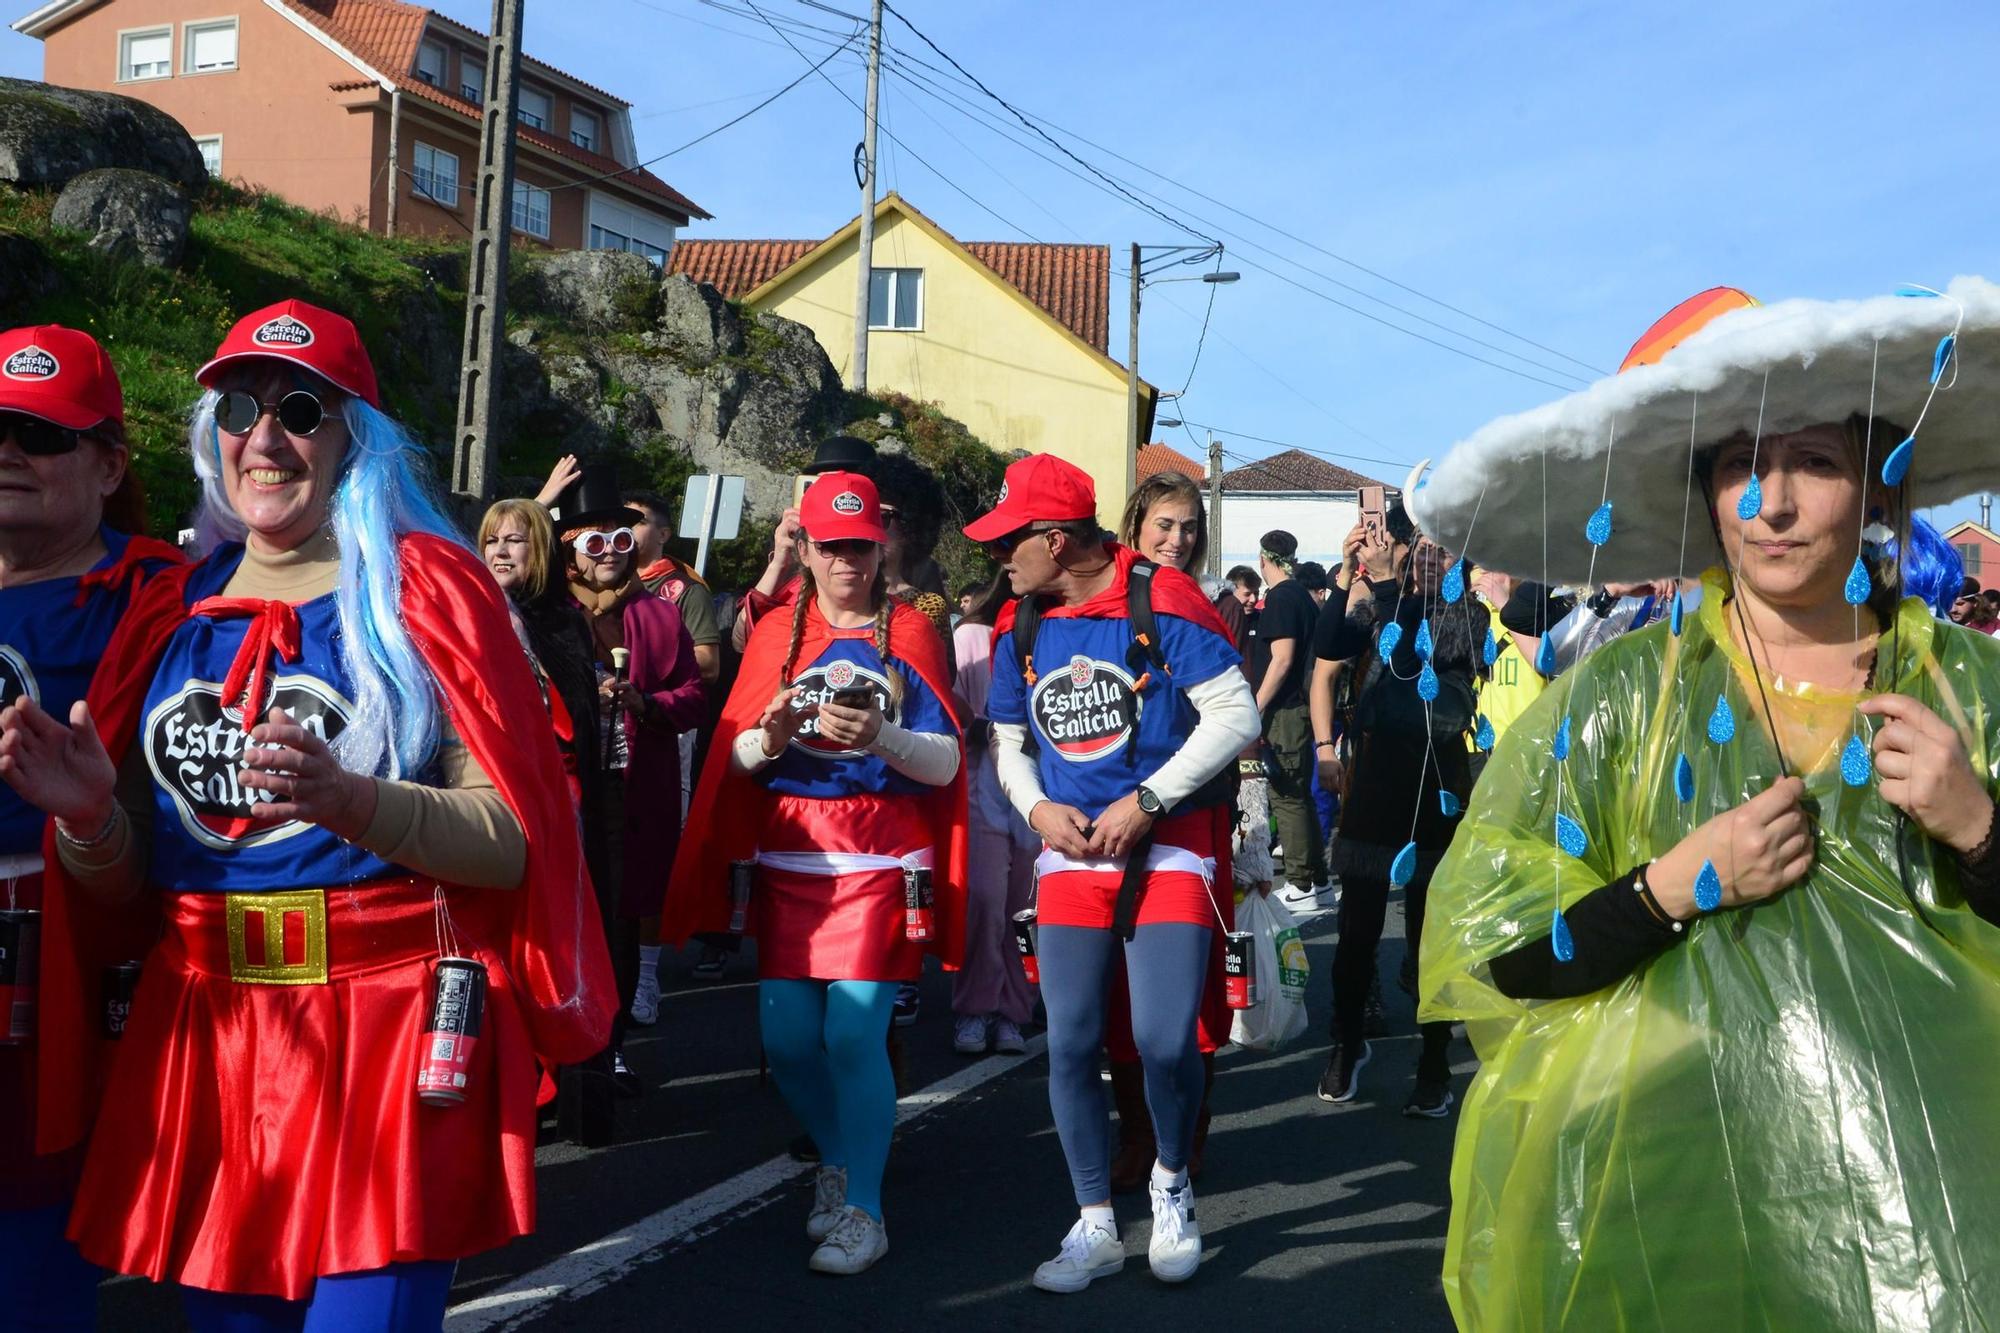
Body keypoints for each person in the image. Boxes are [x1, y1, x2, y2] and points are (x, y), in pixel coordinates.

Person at [0, 299, 615, 1328]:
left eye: (300, 408)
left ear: (353, 441)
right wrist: (92, 822)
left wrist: (353, 801)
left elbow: (513, 839)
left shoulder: (430, 596)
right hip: (208, 1027)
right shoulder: (171, 608)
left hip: (385, 1022)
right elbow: (127, 888)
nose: (265, 436)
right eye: (241, 407)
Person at [1411, 278, 2000, 1327]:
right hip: (1679, 1191)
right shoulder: (1619, 698)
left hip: (1938, 1204)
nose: (1769, 505)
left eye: (1812, 463)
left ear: (1873, 486)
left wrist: (1976, 825)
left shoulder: (1970, 689)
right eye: (1739, 466)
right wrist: (1667, 888)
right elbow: (1496, 958)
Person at [663, 471, 967, 1276]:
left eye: (860, 545)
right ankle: (838, 1156)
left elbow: (944, 764)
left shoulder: (908, 631)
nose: (846, 562)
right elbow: (735, 755)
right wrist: (773, 733)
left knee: (853, 1033)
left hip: (879, 856)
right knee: (789, 1043)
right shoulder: (776, 635)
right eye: (830, 546)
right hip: (791, 855)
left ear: (881, 544)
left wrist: (882, 738)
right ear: (805, 545)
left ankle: (865, 1207)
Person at [969, 454, 1259, 1292]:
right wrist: (1034, 811)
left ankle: (1173, 1184)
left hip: (1164, 852)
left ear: (1056, 539)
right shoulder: (1020, 622)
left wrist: (1150, 801)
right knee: (1069, 1041)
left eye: (1009, 544)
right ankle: (1094, 1220)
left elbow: (1235, 711)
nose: (1001, 560)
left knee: (1166, 1040)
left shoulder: (1161, 595)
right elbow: (1009, 743)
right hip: (1068, 858)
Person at [0, 324, 181, 1331]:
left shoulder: (161, 600)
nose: (6, 451)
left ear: (110, 464)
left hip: (50, 953)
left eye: (39, 432)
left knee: (24, 1248)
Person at [1310, 528, 1485, 1114]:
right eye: (1422, 545)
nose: (1432, 557)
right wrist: (1345, 577)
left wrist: (1385, 587)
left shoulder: (1468, 614)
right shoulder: (1383, 597)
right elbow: (1329, 644)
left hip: (1437, 787)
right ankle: (1346, 1041)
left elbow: (1410, 664)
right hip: (1376, 783)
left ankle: (1434, 1061)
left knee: (1427, 932)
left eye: (1445, 547)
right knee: (1355, 930)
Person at [1100, 470, 1236, 1191]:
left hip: (1194, 814)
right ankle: (1137, 1131)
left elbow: (1231, 720)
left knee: (1192, 983)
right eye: (1164, 523)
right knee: (1119, 981)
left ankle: (1186, 1131)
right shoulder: (1105, 599)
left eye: (1189, 526)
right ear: (1135, 525)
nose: (1178, 537)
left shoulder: (1211, 604)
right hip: (1111, 808)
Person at [555, 466, 706, 1049]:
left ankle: (611, 1041)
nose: (612, 553)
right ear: (571, 552)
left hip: (636, 787)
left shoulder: (660, 614)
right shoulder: (552, 618)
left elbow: (695, 696)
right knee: (568, 915)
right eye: (596, 541)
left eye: (622, 539)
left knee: (623, 913)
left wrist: (645, 702)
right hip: (569, 789)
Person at [948, 574, 1036, 1056]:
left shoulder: (1058, 629)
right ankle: (974, 1006)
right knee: (983, 899)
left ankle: (1014, 1011)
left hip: (1042, 794)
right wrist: (980, 727)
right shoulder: (971, 636)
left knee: (1024, 908)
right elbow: (949, 709)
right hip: (983, 786)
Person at [1253, 531, 1328, 912]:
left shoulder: (1282, 597)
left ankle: (1300, 882)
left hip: (1285, 710)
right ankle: (1317, 878)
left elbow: (1282, 659)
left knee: (1287, 796)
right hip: (1300, 707)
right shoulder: (1302, 595)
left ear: (1263, 561)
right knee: (1300, 796)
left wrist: (1256, 705)